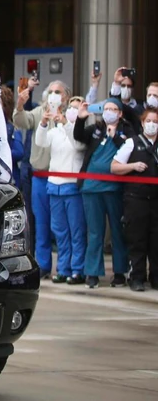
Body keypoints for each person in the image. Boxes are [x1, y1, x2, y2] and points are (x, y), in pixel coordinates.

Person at [74, 98, 134, 289]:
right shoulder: (96, 129)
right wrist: (81, 118)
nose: (109, 112)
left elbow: (128, 148)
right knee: (94, 232)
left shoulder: (127, 131)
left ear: (120, 113)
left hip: (115, 189)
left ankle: (119, 272)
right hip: (91, 188)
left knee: (118, 231)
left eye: (113, 109)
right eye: (106, 109)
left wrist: (115, 135)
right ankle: (92, 273)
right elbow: (79, 136)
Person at [13, 78, 68, 280]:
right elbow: (21, 120)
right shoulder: (39, 112)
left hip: (63, 177)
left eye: (59, 91)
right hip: (40, 176)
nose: (54, 95)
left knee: (62, 226)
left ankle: (65, 267)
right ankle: (43, 265)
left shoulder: (69, 114)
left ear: (66, 96)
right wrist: (20, 103)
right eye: (51, 91)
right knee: (41, 222)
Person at [34, 95, 87, 284]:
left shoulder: (81, 131)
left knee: (76, 230)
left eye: (76, 107)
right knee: (60, 231)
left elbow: (78, 144)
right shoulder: (56, 131)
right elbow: (41, 141)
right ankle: (63, 269)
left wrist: (65, 123)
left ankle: (77, 269)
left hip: (72, 185)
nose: (72, 110)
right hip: (54, 185)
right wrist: (43, 122)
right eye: (70, 107)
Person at [111, 107, 158, 292]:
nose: (152, 125)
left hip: (155, 200)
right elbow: (114, 167)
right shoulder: (132, 143)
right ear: (142, 123)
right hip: (136, 199)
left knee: (155, 241)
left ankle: (155, 277)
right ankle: (137, 277)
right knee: (137, 240)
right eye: (149, 121)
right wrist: (133, 166)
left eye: (155, 121)